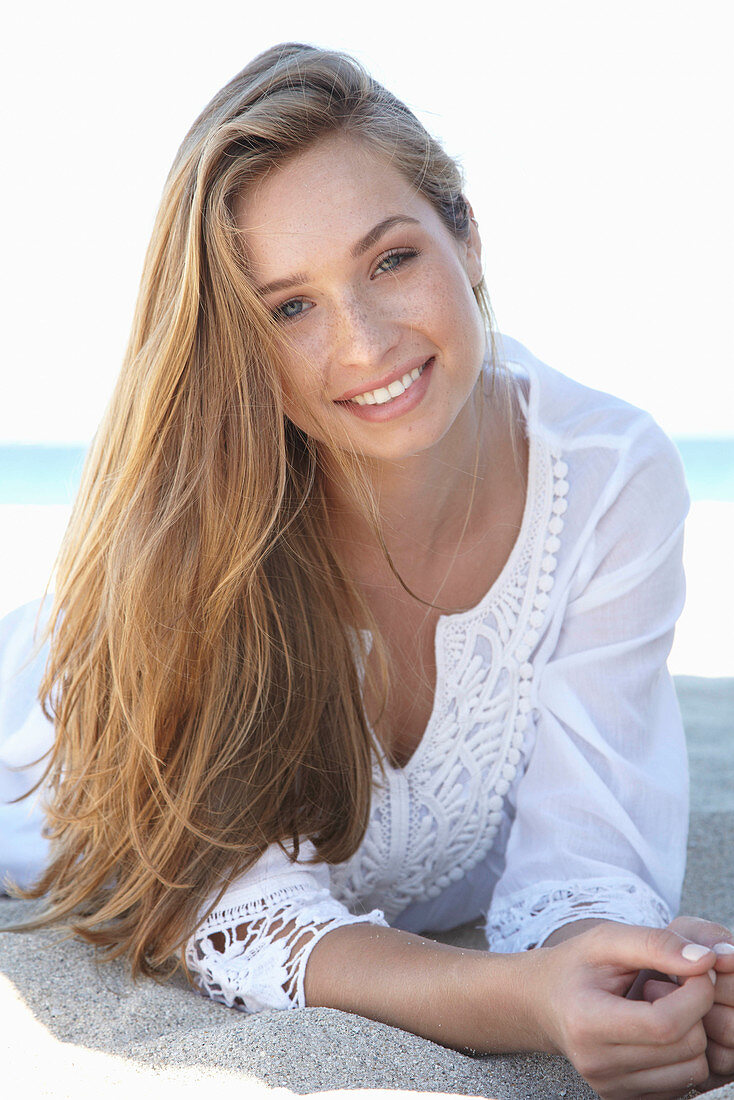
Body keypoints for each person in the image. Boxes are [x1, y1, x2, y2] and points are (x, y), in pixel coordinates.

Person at [1, 42, 733, 1100]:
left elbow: (581, 859)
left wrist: (629, 972)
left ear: (464, 235)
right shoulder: (201, 541)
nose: (364, 342)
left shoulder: (612, 477)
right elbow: (248, 919)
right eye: (288, 307)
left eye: (389, 259)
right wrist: (529, 998)